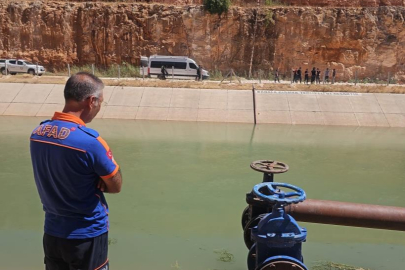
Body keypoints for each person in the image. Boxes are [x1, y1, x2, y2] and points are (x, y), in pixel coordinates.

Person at [30, 72, 123, 270]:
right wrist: (100, 180)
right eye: (100, 103)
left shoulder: (38, 134)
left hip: (53, 233)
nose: (99, 108)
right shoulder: (90, 142)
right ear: (91, 101)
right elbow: (116, 185)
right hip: (86, 235)